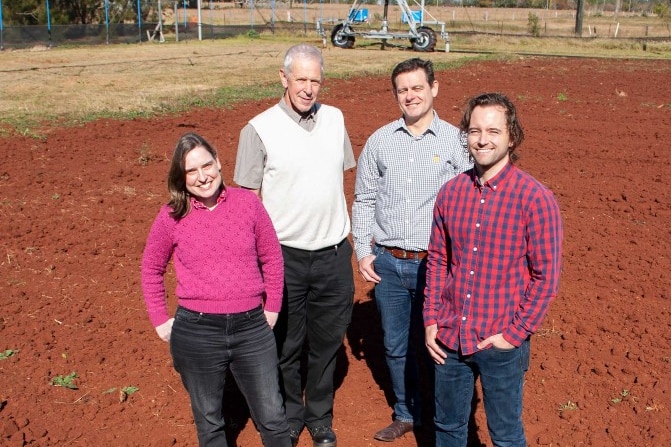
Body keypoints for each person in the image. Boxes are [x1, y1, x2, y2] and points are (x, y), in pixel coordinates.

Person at [424, 93, 563, 447]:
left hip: (500, 340)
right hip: (450, 337)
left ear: (511, 137)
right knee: (448, 427)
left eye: (493, 131)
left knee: (505, 434)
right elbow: (439, 260)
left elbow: (546, 277)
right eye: (474, 131)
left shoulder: (535, 198)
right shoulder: (450, 193)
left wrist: (514, 335)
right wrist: (431, 321)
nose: (482, 139)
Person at [234, 44, 355, 447]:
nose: (308, 88)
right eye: (300, 79)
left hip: (334, 253)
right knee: (285, 342)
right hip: (283, 255)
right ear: (283, 78)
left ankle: (319, 417)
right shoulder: (258, 129)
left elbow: (336, 176)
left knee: (326, 342)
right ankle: (289, 414)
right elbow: (247, 204)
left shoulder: (335, 119)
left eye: (315, 80)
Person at [141, 132, 292, 447]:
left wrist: (273, 306)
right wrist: (159, 318)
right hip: (197, 330)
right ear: (181, 178)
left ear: (219, 163)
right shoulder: (171, 215)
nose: (202, 176)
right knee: (209, 422)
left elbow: (272, 258)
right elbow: (152, 268)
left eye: (206, 165)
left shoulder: (248, 203)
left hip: (251, 326)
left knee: (273, 418)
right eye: (191, 171)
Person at [351, 57, 472, 442]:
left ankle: (440, 417)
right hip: (388, 262)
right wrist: (363, 250)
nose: (410, 96)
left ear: (434, 88)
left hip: (436, 265)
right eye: (402, 90)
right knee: (395, 345)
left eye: (417, 87)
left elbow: (473, 199)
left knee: (437, 345)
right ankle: (406, 412)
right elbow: (364, 199)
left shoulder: (457, 141)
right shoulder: (380, 141)